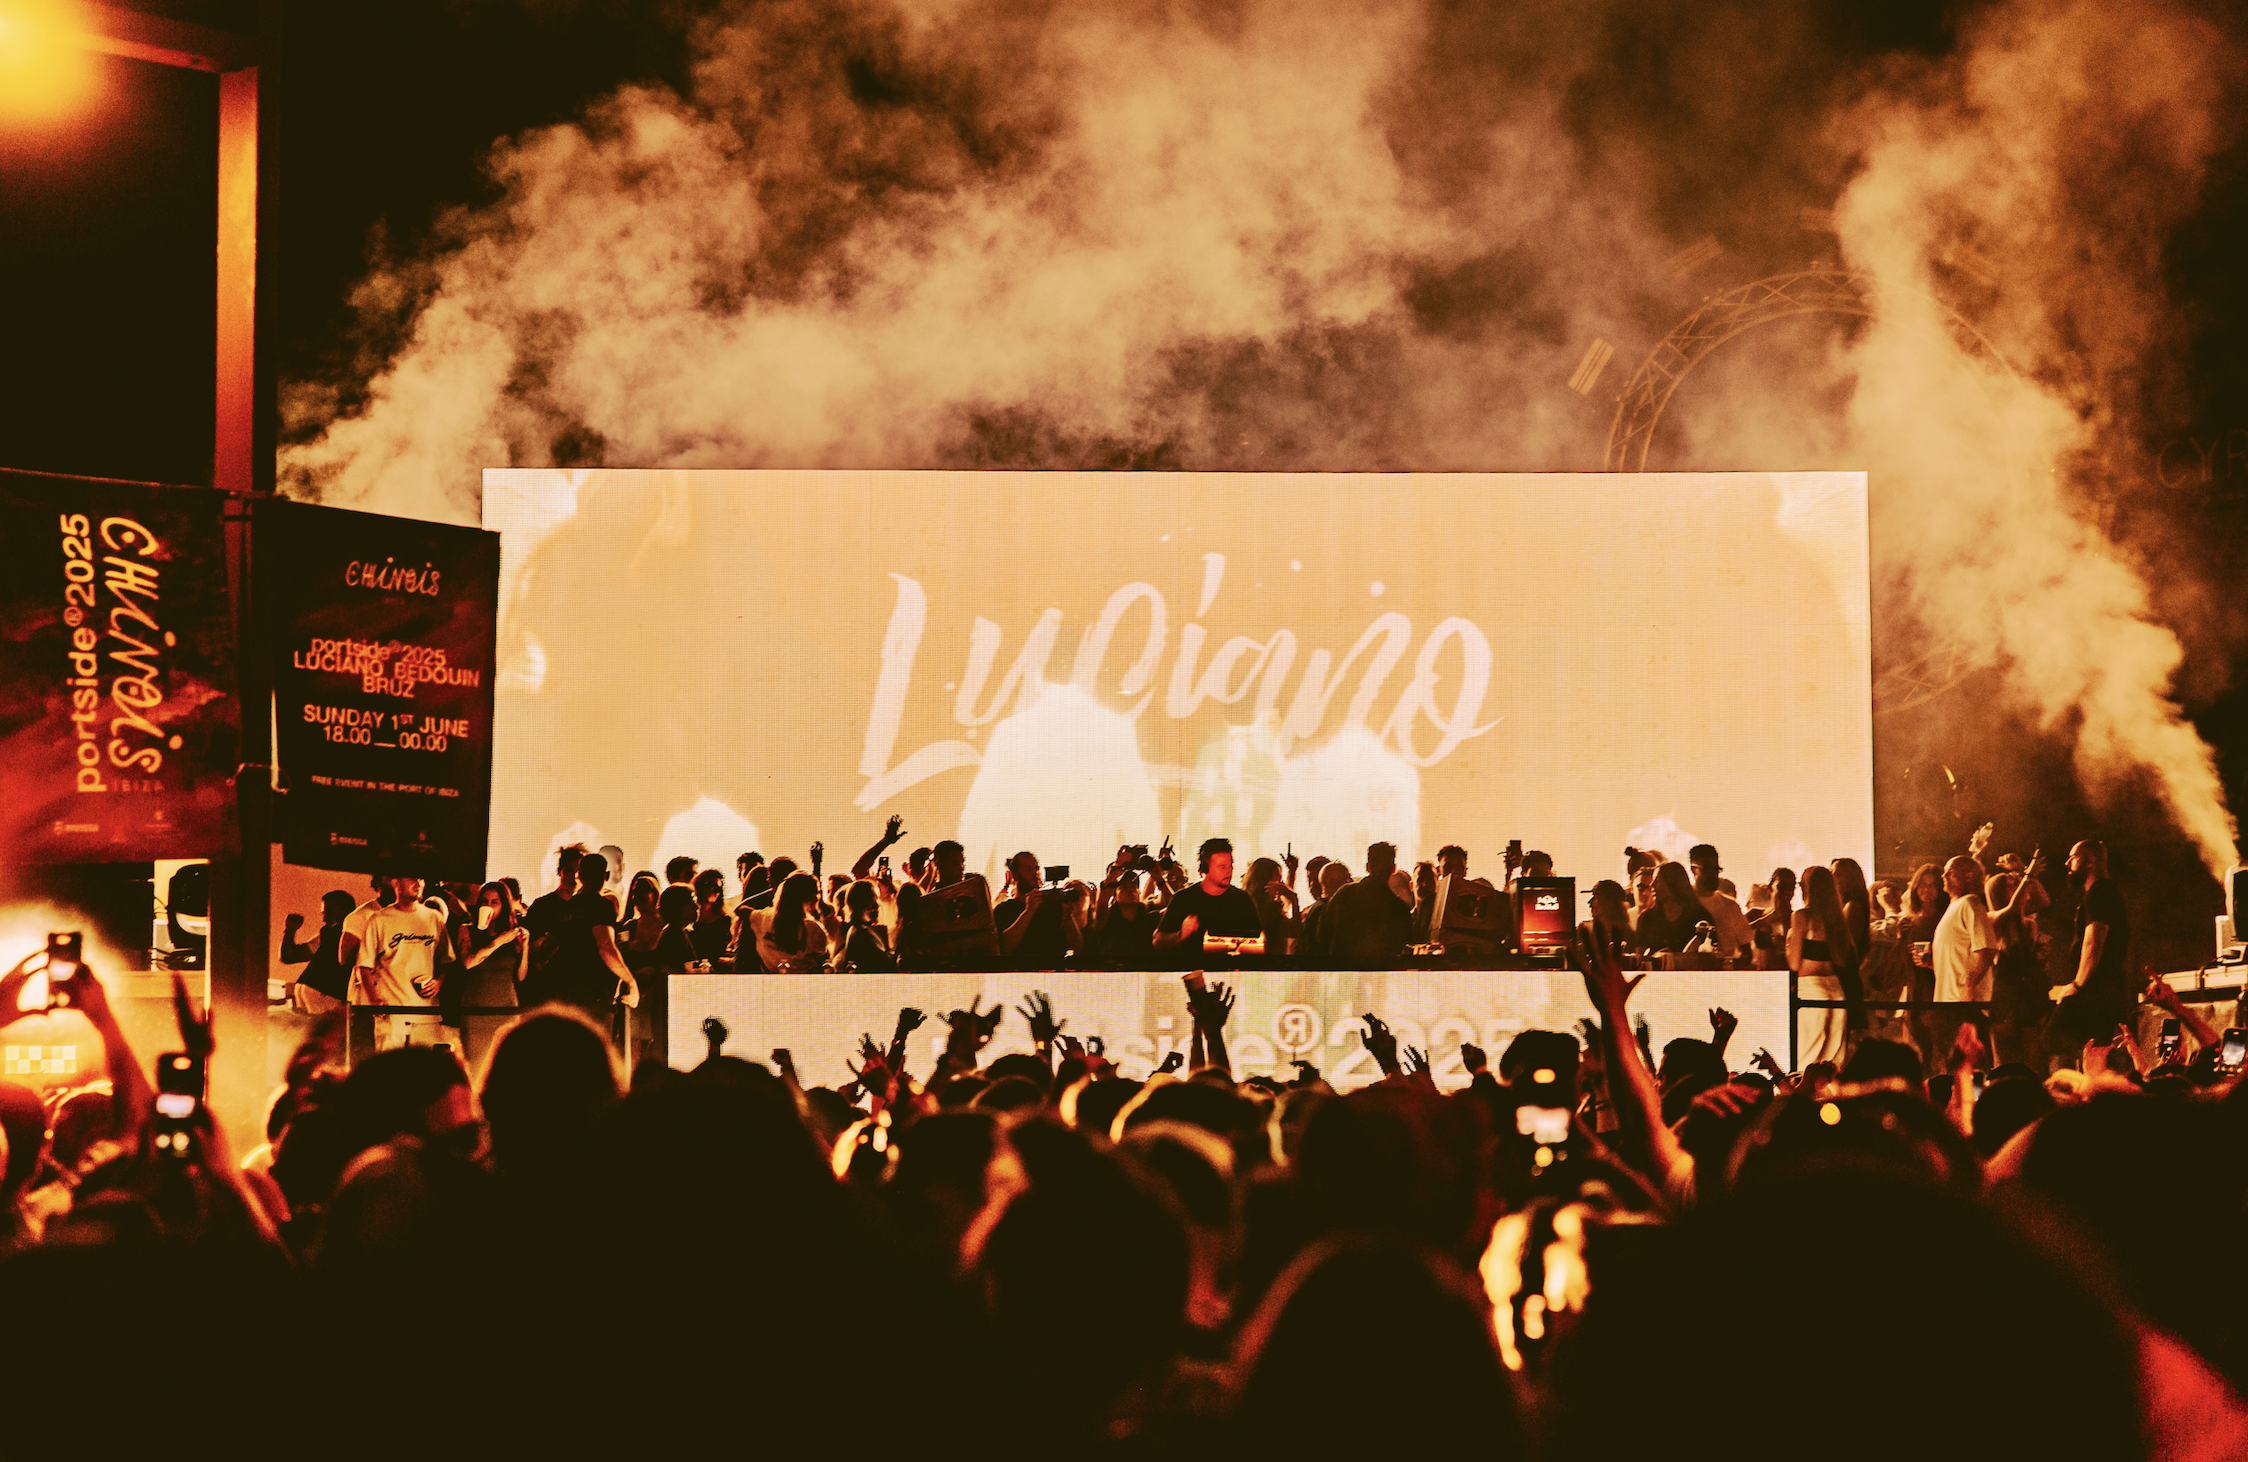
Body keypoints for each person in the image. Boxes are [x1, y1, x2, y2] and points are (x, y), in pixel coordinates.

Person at [2048, 840, 2133, 1063]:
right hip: (2103, 988)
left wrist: (2077, 985)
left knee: (2052, 1039)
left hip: (2094, 989)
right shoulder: (2103, 892)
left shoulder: (2099, 892)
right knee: (2093, 1049)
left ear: (2090, 861)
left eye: (2073, 858)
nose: (2067, 863)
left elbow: (2094, 942)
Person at [354, 872, 453, 1051]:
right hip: (392, 1011)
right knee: (390, 1066)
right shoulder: (379, 919)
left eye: (421, 878)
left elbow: (446, 960)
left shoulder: (434, 918)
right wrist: (373, 999)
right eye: (411, 878)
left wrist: (439, 981)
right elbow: (363, 965)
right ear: (396, 883)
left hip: (426, 1012)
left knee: (427, 1066)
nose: (418, 883)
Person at [1153, 837, 1264, 966]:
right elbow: (1158, 942)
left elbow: (1259, 940)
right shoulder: (1183, 899)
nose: (1229, 871)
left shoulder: (1242, 900)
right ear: (1205, 869)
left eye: (1230, 865)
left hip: (1233, 972)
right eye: (1222, 867)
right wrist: (1180, 935)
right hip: (1193, 970)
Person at [1789, 864, 1857, 1069]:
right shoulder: (1837, 919)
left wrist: (1788, 944)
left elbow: (1794, 963)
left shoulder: (1802, 916)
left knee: (1806, 1056)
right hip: (1836, 989)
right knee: (1832, 1061)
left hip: (1811, 987)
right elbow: (1842, 961)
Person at [1930, 855, 1997, 1058]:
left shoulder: (1970, 903)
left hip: (1964, 1003)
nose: (1943, 876)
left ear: (1968, 876)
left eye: (1950, 873)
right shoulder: (1955, 906)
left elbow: (1987, 950)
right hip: (1949, 1002)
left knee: (1968, 1063)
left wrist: (1969, 985)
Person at [455, 881, 526, 1069]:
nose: (489, 906)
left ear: (504, 905)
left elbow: (521, 976)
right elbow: (468, 962)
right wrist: (498, 941)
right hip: (476, 1010)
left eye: (495, 902)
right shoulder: (467, 930)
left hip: (506, 1009)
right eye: (485, 901)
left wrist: (525, 947)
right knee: (475, 1066)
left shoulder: (512, 933)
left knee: (507, 1067)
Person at [1320, 842, 1413, 970]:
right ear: (1393, 868)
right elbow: (1403, 948)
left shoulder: (1344, 895)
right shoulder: (1399, 908)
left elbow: (1322, 935)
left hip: (1343, 974)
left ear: (1368, 867)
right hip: (1381, 977)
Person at [994, 852, 1081, 971]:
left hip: (1054, 974)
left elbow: (1077, 946)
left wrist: (1068, 917)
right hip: (1021, 975)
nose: (1035, 873)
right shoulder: (1004, 909)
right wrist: (1029, 910)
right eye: (1028, 869)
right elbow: (1005, 946)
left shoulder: (1052, 907)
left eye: (1036, 868)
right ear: (1015, 875)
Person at [522, 843, 585, 1008]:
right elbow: (527, 949)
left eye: (580, 871)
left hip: (578, 990)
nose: (575, 877)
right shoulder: (542, 906)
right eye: (569, 870)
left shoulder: (588, 908)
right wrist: (548, 940)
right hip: (545, 989)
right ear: (560, 871)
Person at [281, 890, 358, 1016]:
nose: (324, 918)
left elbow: (290, 957)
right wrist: (289, 932)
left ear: (343, 910)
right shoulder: (329, 934)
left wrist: (289, 932)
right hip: (324, 993)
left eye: (329, 912)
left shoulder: (333, 934)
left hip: (314, 991)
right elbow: (289, 957)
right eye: (324, 913)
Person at [752, 871, 832, 972]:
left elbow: (740, 909)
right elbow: (822, 962)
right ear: (811, 896)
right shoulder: (813, 929)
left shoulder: (764, 917)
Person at [1687, 844, 1753, 959]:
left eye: (1716, 869)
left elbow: (1747, 953)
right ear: (1693, 869)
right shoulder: (1684, 904)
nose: (1713, 875)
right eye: (1707, 869)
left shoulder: (1730, 906)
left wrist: (1730, 964)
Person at [1089, 866, 1161, 970]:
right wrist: (1115, 870)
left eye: (1133, 887)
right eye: (1123, 888)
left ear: (1138, 892)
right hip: (1114, 973)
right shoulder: (1107, 920)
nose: (1130, 890)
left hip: (1146, 972)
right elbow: (1101, 907)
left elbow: (1173, 907)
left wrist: (1159, 879)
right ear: (1114, 896)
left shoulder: (1150, 918)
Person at [1632, 863, 1703, 954]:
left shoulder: (1698, 916)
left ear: (1672, 882)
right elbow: (1640, 957)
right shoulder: (1647, 918)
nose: (1652, 885)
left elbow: (1708, 953)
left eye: (1658, 880)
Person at [835, 881, 898, 971]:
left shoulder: (856, 930)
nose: (878, 904)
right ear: (869, 902)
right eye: (876, 898)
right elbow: (884, 963)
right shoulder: (862, 933)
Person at [689, 867, 733, 965]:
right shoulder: (687, 919)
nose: (711, 889)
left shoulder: (725, 921)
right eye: (708, 885)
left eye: (716, 888)